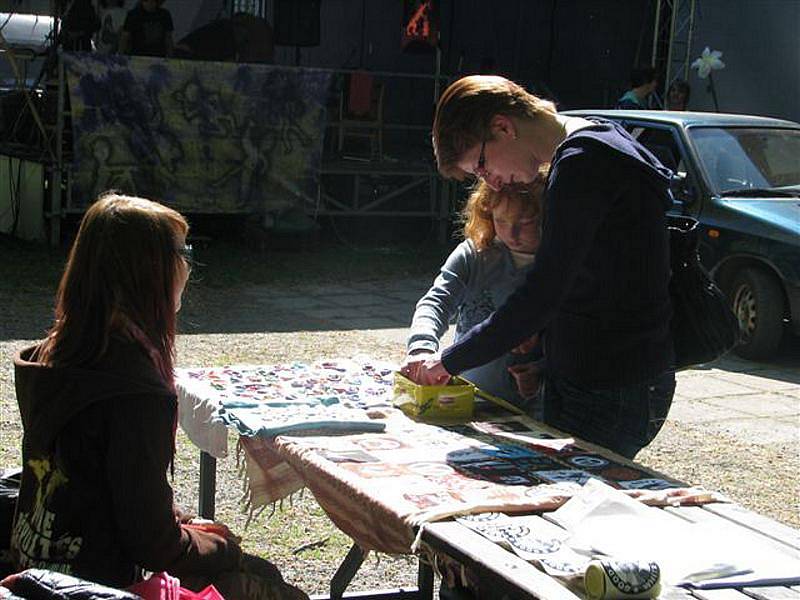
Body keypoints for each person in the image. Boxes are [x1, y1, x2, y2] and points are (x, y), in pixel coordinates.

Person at [10, 193, 306, 599]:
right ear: (150, 271)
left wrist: (187, 525)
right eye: (182, 252)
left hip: (38, 561)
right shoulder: (133, 390)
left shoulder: (53, 354)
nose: (188, 265)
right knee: (270, 584)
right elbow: (151, 542)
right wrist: (222, 547)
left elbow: (108, 488)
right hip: (98, 584)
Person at [414, 75, 676, 459]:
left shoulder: (582, 163)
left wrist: (450, 360)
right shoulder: (597, 141)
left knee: (579, 505)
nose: (491, 182)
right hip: (612, 374)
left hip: (611, 380)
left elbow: (544, 292)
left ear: (503, 126)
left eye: (482, 165)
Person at [403, 174, 547, 418]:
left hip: (527, 412)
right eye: (500, 220)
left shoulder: (559, 268)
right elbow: (437, 301)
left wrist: (541, 370)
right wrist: (422, 346)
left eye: (526, 222)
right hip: (468, 395)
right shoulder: (476, 252)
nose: (511, 233)